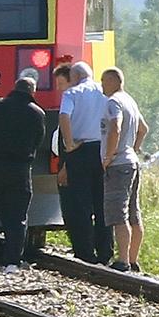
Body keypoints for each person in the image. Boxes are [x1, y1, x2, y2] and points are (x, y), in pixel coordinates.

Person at [0, 77, 45, 273]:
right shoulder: (37, 113)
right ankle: (12, 262)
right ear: (32, 91)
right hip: (20, 168)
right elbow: (38, 139)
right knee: (17, 215)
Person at [59, 61, 113, 264]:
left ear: (74, 77)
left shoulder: (72, 94)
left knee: (80, 204)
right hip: (101, 150)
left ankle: (85, 252)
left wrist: (69, 143)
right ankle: (105, 251)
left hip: (79, 151)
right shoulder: (104, 91)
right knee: (102, 203)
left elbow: (64, 116)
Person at [100, 68, 149, 272]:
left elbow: (115, 127)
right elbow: (143, 129)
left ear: (112, 81)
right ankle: (133, 258)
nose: (101, 85)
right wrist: (133, 149)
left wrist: (109, 156)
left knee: (118, 214)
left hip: (118, 164)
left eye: (103, 81)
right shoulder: (130, 100)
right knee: (133, 212)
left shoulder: (114, 102)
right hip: (132, 162)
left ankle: (123, 261)